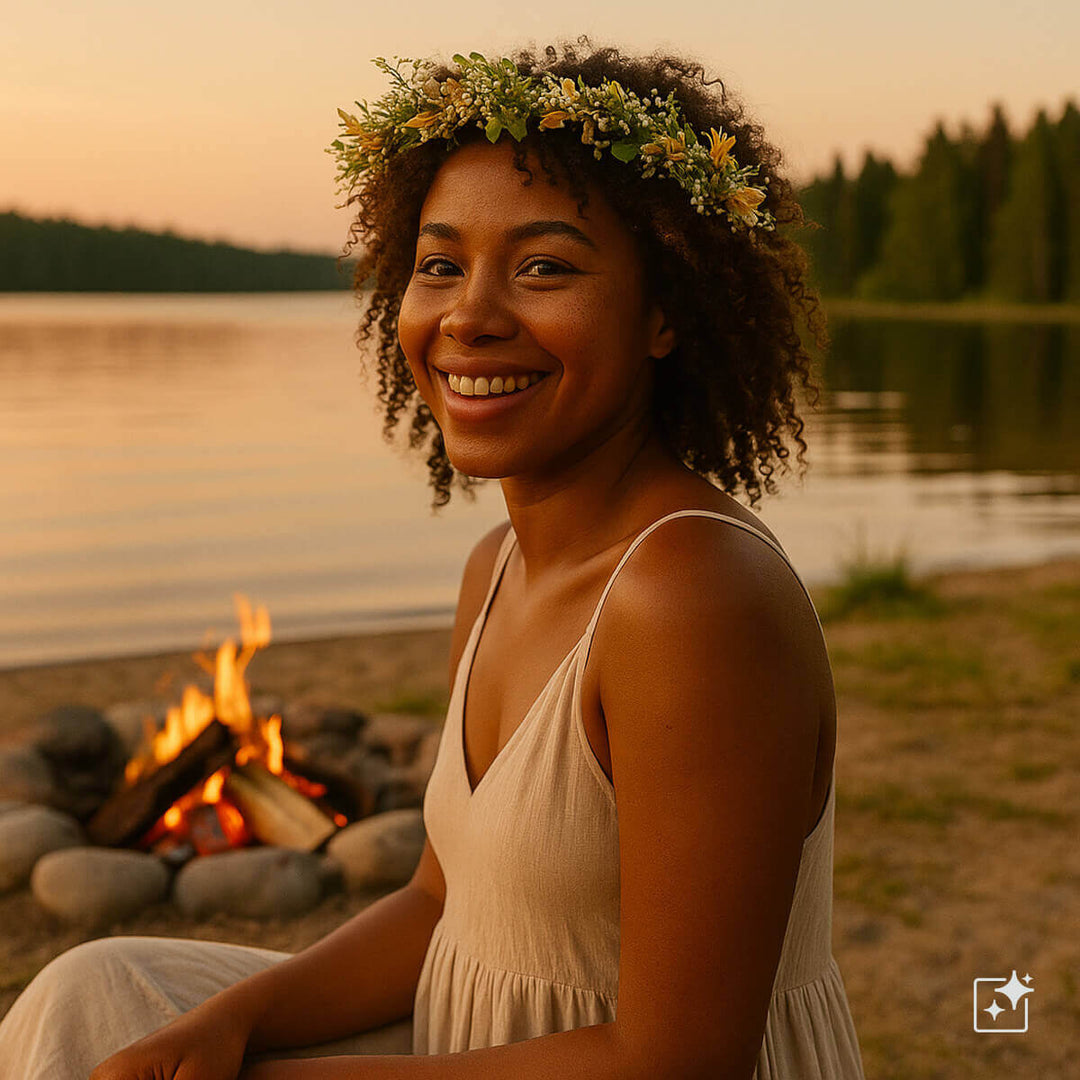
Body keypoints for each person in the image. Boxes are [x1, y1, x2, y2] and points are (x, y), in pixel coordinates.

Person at [0, 39, 867, 1080]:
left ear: (667, 312)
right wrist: (227, 1024)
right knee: (98, 994)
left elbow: (678, 1059)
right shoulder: (498, 565)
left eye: (544, 267)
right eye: (440, 265)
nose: (469, 316)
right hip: (476, 1042)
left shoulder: (693, 596)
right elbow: (436, 905)